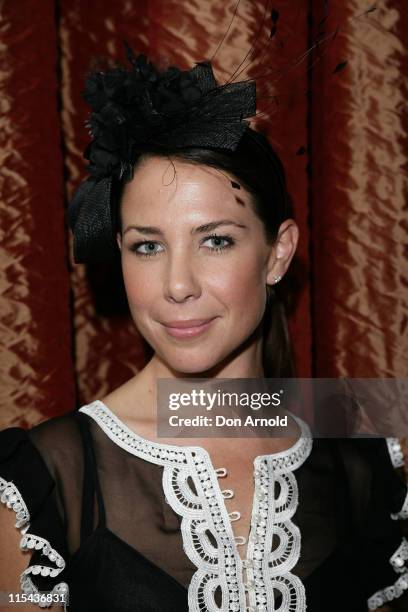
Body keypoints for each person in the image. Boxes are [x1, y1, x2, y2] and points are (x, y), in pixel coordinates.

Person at [0, 49, 407, 612]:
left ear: (278, 253)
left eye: (215, 240)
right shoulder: (44, 479)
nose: (177, 285)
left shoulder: (363, 460)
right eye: (148, 246)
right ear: (119, 255)